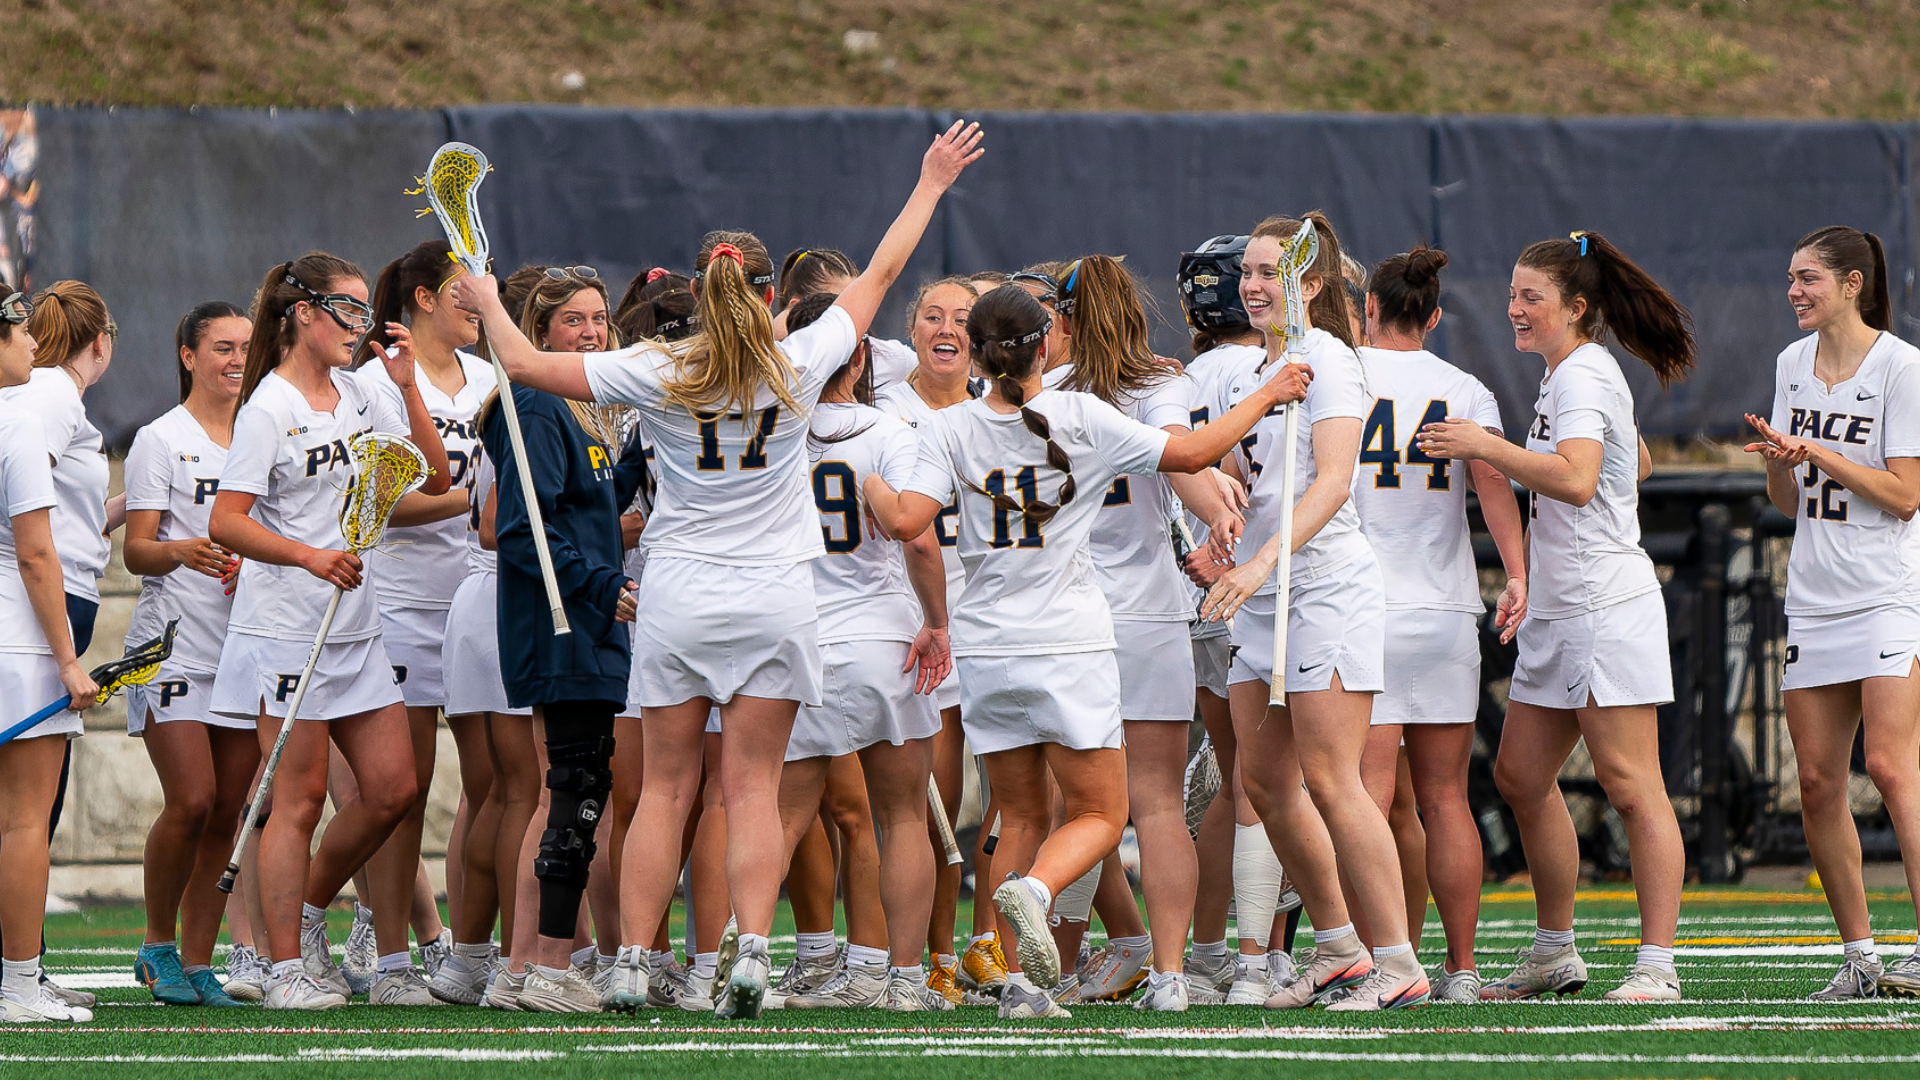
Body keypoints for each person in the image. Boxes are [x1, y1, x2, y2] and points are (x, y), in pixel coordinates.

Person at [453, 120, 985, 1019]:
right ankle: (744, 953)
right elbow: (883, 274)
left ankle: (628, 960)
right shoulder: (796, 359)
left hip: (678, 595)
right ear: (771, 296)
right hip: (778, 597)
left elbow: (521, 362)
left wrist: (486, 296)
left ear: (699, 295)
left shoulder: (659, 366)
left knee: (663, 788)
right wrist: (931, 183)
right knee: (748, 790)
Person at [863, 284, 1309, 1020]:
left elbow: (908, 519)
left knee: (1023, 815)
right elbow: (1195, 452)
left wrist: (871, 479)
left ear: (976, 354)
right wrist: (1273, 391)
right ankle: (1044, 896)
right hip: (1068, 642)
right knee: (1107, 814)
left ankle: (1020, 985)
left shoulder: (949, 429)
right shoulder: (1084, 413)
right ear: (1043, 345)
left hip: (988, 649)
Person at [1418, 229, 1694, 1002]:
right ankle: (1553, 952)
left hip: (1606, 605)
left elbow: (1575, 481)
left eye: (1530, 297)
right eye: (1511, 294)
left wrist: (1485, 446)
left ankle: (1656, 967)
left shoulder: (1584, 375)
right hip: (1562, 608)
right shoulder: (1572, 376)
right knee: (1520, 775)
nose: (1514, 309)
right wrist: (1531, 576)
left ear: (1576, 307)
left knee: (1632, 786)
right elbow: (1626, 463)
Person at [206, 252, 450, 1010]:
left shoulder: (359, 393)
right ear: (302, 314)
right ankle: (283, 971)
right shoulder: (268, 408)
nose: (357, 325)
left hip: (355, 628)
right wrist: (309, 557)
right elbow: (227, 520)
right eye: (342, 310)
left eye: (360, 310)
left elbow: (433, 479)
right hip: (288, 628)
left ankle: (308, 913)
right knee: (301, 800)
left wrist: (408, 391)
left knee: (392, 791)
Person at [1199, 212, 1426, 1012]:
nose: (1255, 286)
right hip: (1262, 599)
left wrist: (1263, 559)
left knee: (1335, 780)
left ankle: (1398, 961)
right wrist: (1224, 518)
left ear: (1313, 284)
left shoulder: (1329, 358)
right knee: (1262, 781)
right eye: (1249, 273)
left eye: (1274, 273)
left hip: (1323, 589)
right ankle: (1339, 948)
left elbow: (1332, 482)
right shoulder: (1239, 373)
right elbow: (1237, 472)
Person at [1051, 254, 1243, 1010]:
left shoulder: (1040, 394)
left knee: (1080, 809)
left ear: (1058, 322)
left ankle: (1058, 974)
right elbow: (1183, 457)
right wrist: (1221, 505)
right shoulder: (1163, 383)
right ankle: (1168, 974)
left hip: (1066, 617)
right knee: (1159, 802)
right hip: (1150, 615)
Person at [1743, 225, 1920, 1000]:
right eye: (1790, 278)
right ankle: (1860, 958)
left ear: (1852, 283)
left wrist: (1819, 453)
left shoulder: (1902, 366)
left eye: (1809, 278)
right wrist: (1787, 466)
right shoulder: (1791, 364)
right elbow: (1788, 503)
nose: (1794, 291)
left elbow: (1906, 494)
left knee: (1887, 765)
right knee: (1817, 780)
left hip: (1886, 592)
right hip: (1814, 597)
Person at [1349, 246, 1526, 1002]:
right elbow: (1494, 490)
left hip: (1363, 610)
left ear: (1368, 308)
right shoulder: (1464, 388)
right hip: (1447, 609)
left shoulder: (1341, 373)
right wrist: (1517, 574)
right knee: (1446, 799)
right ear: (1435, 317)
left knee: (1362, 800)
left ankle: (1380, 961)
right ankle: (1459, 969)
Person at [768, 291, 954, 1012]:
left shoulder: (769, 432)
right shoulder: (888, 429)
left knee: (778, 815)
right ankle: (902, 977)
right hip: (881, 635)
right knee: (902, 814)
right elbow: (919, 538)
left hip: (798, 639)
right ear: (861, 356)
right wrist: (936, 621)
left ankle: (742, 956)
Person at [326, 240, 496, 1001]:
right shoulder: (372, 383)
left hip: (478, 601)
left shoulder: (491, 378)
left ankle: (471, 954)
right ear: (425, 298)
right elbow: (384, 501)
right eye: (464, 291)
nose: (476, 304)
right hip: (398, 604)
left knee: (493, 781)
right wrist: (482, 503)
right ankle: (390, 956)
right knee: (405, 786)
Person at [480, 265, 645, 1012]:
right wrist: (605, 587)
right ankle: (548, 964)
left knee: (568, 793)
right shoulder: (538, 405)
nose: (591, 333)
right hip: (563, 623)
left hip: (588, 621)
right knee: (577, 791)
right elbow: (521, 530)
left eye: (599, 320)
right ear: (540, 331)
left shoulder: (585, 409)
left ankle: (522, 967)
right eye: (574, 321)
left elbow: (589, 507)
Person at [126, 302, 255, 1008]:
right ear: (188, 356)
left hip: (241, 647)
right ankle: (156, 944)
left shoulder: (258, 436)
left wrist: (256, 566)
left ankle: (201, 961)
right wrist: (183, 550)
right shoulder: (160, 439)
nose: (236, 360)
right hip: (169, 647)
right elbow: (137, 548)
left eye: (245, 347)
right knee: (193, 799)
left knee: (228, 810)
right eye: (222, 348)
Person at [4, 280, 116, 1013]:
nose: (28, 344)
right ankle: (17, 982)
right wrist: (68, 661)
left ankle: (21, 972)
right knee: (24, 816)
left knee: (22, 814)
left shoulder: (32, 400)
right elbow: (36, 548)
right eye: (16, 333)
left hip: (26, 617)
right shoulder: (44, 396)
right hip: (26, 626)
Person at [873, 275, 982, 999]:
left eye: (963, 319)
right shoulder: (885, 409)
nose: (947, 329)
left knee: (1016, 792)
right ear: (910, 331)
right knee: (932, 797)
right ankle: (934, 955)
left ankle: (988, 947)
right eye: (932, 316)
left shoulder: (1003, 408)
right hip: (918, 617)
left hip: (999, 615)